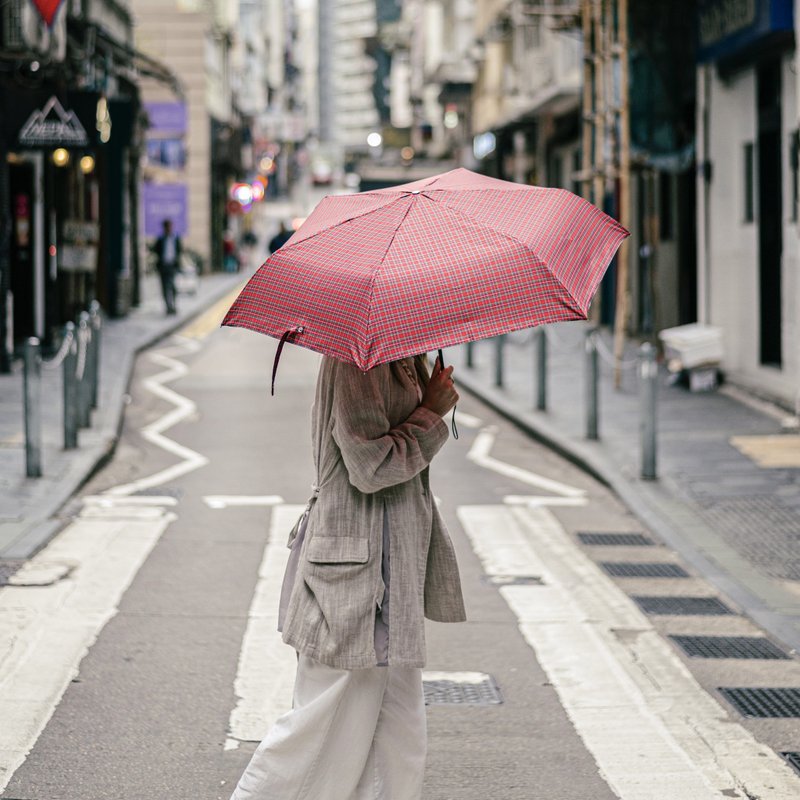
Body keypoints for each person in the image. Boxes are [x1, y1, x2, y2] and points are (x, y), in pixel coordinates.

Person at [229, 355, 465, 800]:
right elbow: (369, 466)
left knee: (398, 737)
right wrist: (431, 414)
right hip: (353, 572)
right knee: (320, 727)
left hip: (392, 570)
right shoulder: (359, 363)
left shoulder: (403, 356)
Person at [152, 219, 182, 315]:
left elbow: (179, 250)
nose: (169, 228)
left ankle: (173, 305)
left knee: (172, 286)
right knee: (164, 287)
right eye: (167, 227)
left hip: (172, 265)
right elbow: (156, 250)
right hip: (163, 266)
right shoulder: (161, 239)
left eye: (170, 226)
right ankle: (168, 307)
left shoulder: (175, 238)